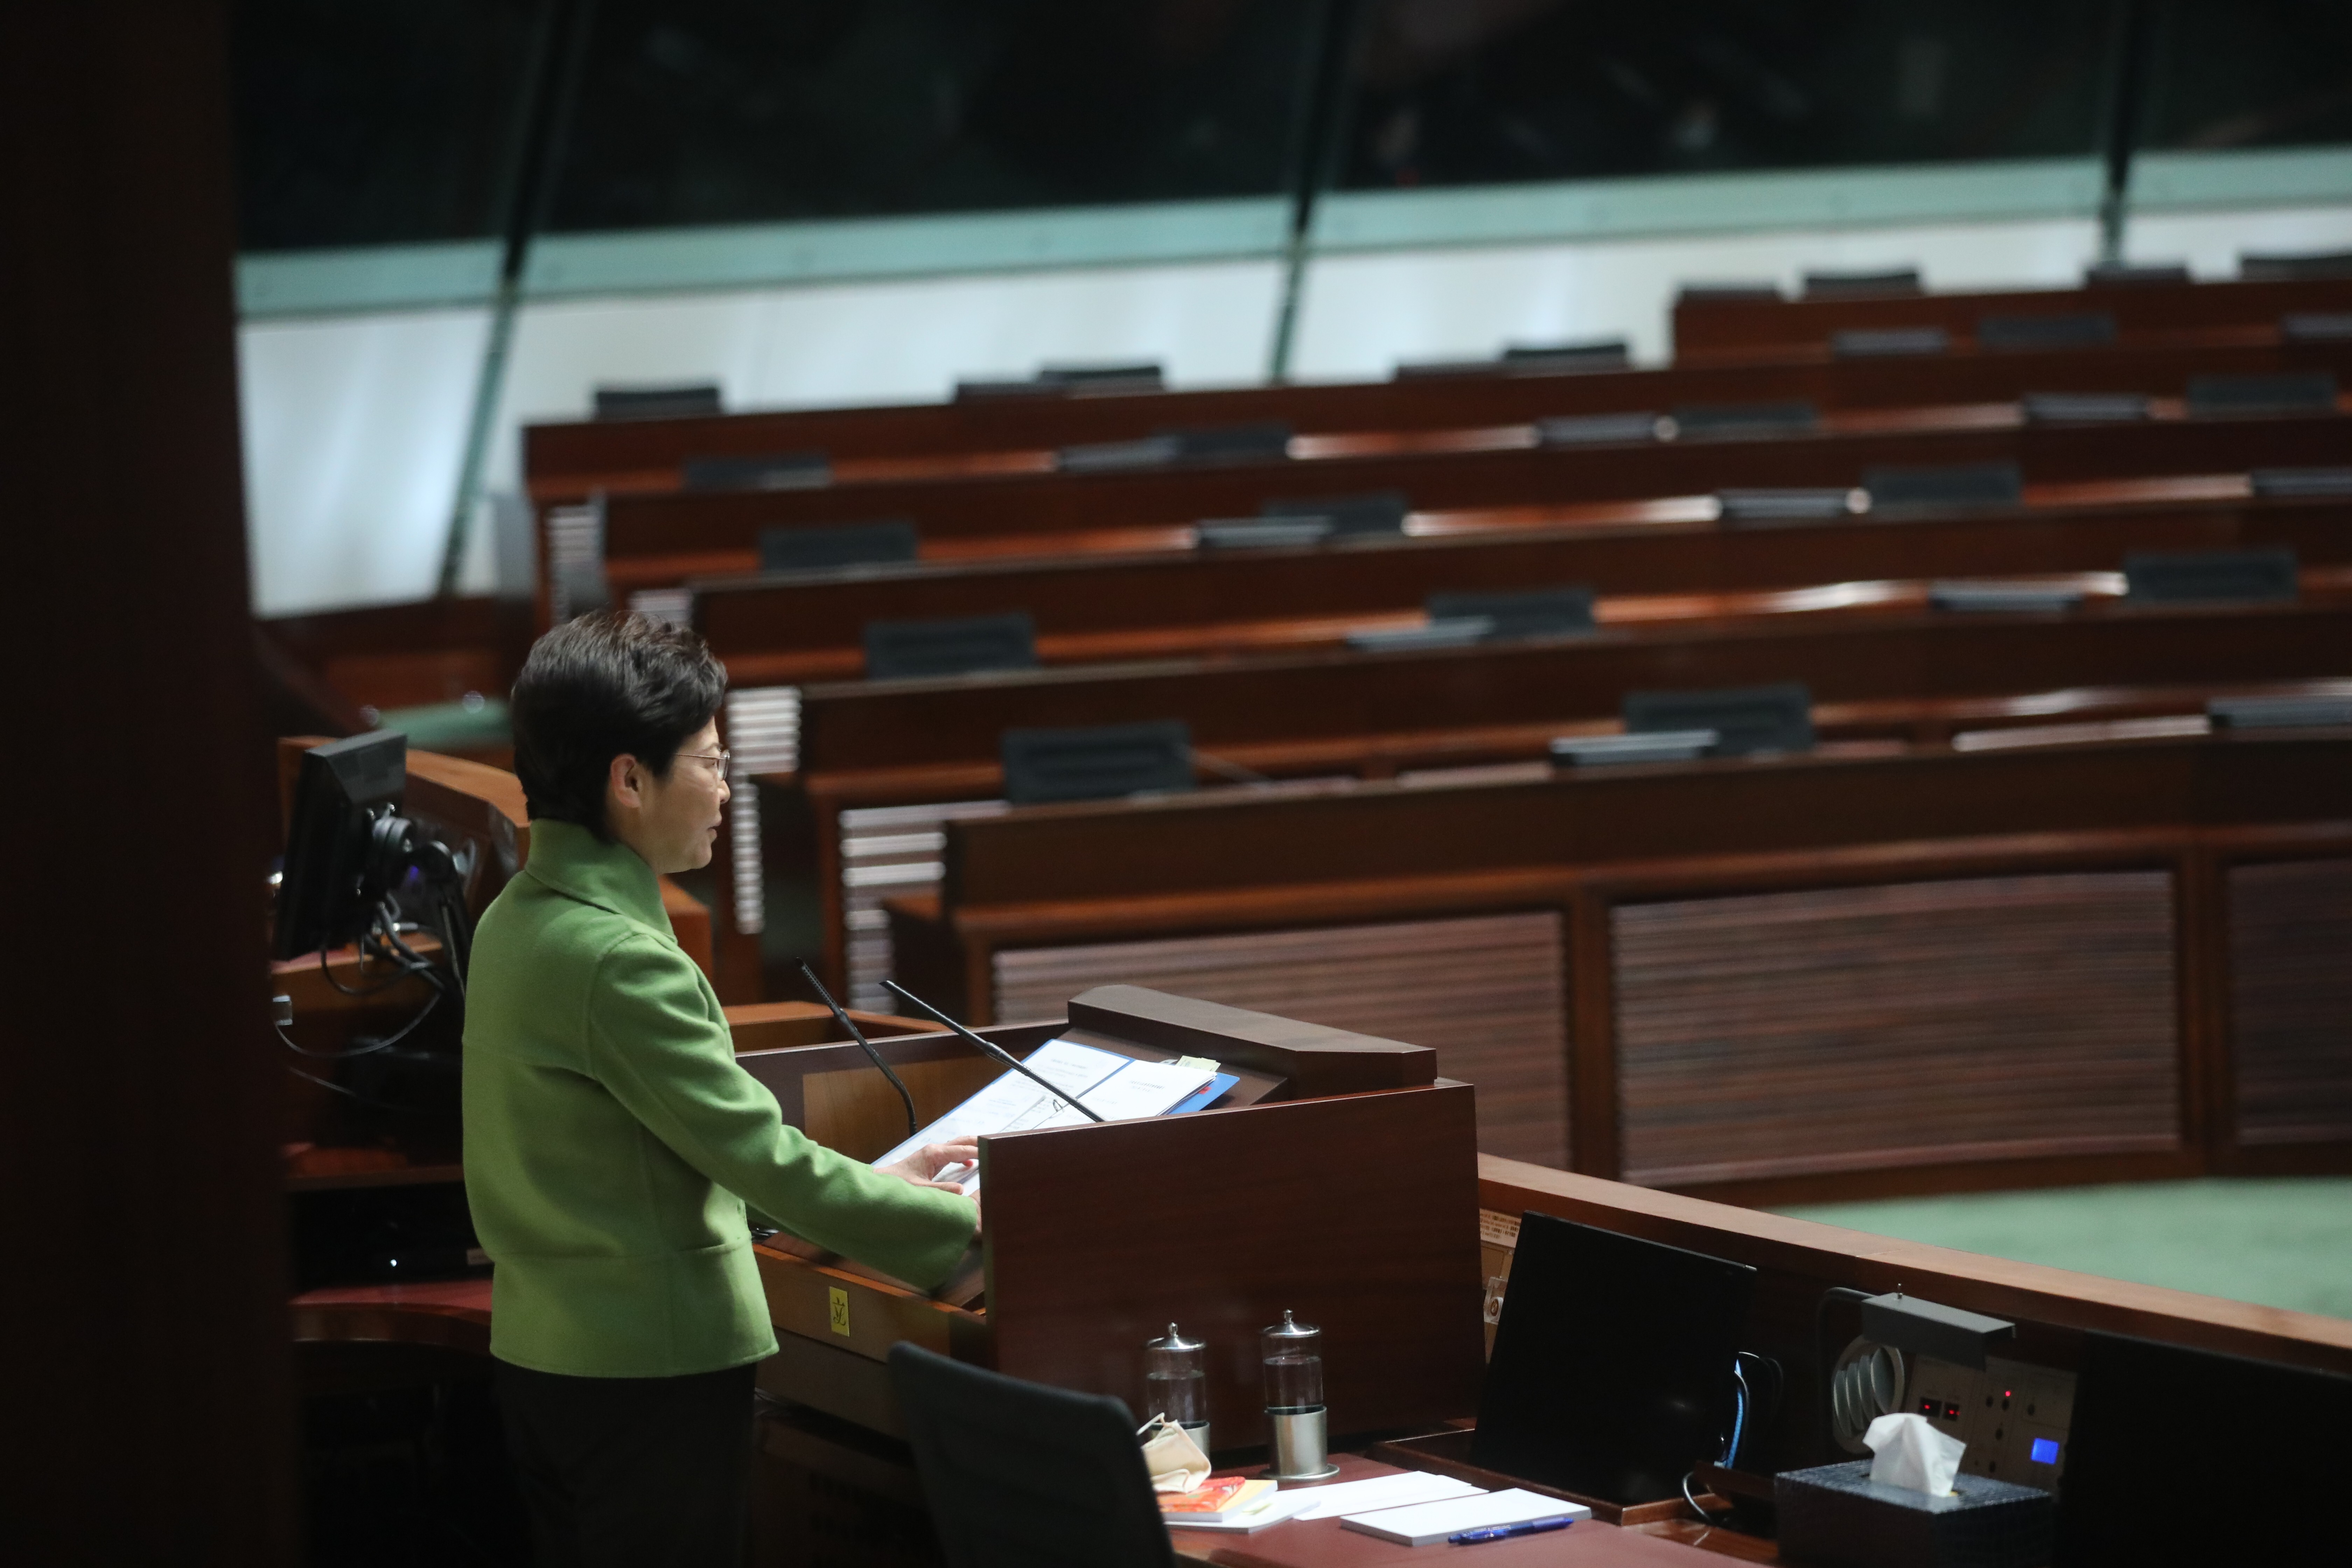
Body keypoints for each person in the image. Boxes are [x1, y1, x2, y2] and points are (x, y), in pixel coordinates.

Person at [463, 610, 979, 1567]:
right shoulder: (617, 957)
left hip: (553, 1356)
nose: (726, 789)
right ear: (628, 780)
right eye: (709, 760)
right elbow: (756, 1157)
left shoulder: (516, 918)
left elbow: (661, 1152)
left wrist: (887, 1182)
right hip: (646, 1371)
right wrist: (973, 1230)